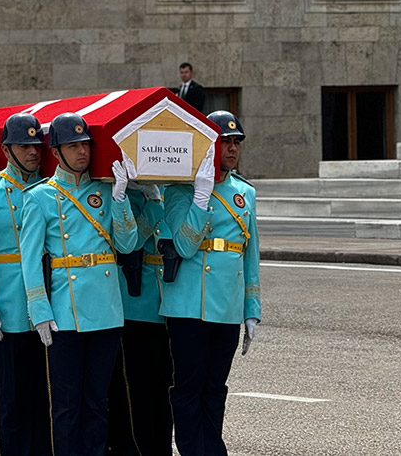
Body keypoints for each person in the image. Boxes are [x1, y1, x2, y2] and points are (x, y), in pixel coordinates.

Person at [19, 112, 139, 456]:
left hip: (105, 309)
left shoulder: (104, 189)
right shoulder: (40, 196)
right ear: (55, 152)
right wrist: (38, 310)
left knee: (98, 402)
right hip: (64, 313)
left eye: (85, 144)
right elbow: (30, 260)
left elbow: (127, 244)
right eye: (73, 146)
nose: (82, 152)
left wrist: (119, 198)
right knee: (68, 406)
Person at [162, 110, 262, 456]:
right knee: (189, 387)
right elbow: (185, 245)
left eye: (236, 142)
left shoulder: (244, 192)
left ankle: (212, 449)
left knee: (216, 388)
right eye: (224, 141)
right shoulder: (180, 190)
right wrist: (201, 198)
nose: (232, 148)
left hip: (228, 304)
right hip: (188, 305)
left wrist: (252, 309)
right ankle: (194, 450)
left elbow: (249, 256)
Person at [0, 113, 51, 456]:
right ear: (6, 149)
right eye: (23, 146)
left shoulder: (49, 189)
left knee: (44, 396)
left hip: (48, 301)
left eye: (36, 145)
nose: (33, 152)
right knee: (13, 396)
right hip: (9, 306)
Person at [106, 184, 172, 456]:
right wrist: (153, 204)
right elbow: (128, 243)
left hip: (168, 305)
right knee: (136, 393)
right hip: (134, 308)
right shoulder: (121, 196)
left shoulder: (172, 193)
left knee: (165, 391)